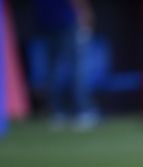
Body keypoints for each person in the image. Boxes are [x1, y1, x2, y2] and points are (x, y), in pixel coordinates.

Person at [32, 0, 97, 131]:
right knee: (76, 67)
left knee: (53, 69)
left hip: (47, 21)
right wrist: (86, 15)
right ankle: (81, 111)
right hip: (66, 20)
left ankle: (56, 112)